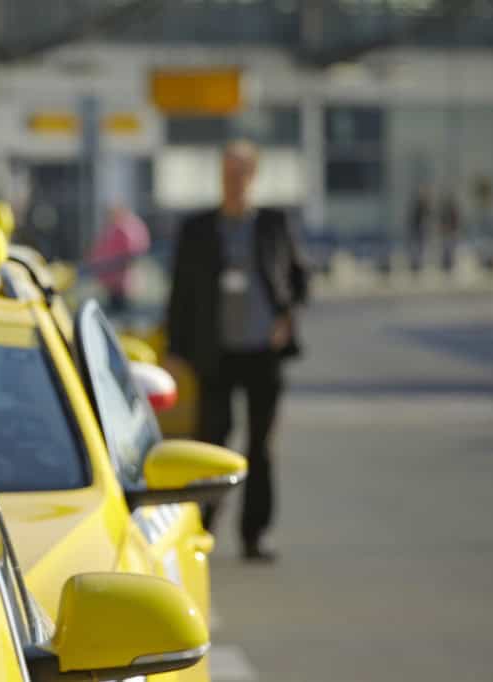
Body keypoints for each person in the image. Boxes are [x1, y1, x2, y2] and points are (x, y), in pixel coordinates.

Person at [164, 140, 309, 563]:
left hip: (264, 353)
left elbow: (299, 278)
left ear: (254, 176)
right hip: (215, 354)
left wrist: (286, 318)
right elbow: (179, 295)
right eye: (228, 172)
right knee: (211, 442)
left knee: (261, 447)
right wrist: (175, 351)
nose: (235, 180)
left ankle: (254, 535)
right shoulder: (198, 229)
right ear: (220, 177)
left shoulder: (273, 225)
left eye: (242, 172)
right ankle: (199, 532)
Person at [89, 204, 152, 314]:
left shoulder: (125, 227)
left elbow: (132, 252)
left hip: (121, 281)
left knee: (122, 313)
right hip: (113, 280)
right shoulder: (119, 226)